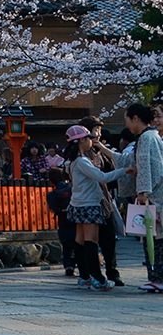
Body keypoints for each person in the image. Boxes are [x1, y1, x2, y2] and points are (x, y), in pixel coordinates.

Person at [63, 124, 131, 291]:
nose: (90, 141)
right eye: (87, 138)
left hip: (77, 204)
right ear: (80, 141)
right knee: (90, 242)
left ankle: (84, 276)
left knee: (80, 241)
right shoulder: (82, 161)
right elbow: (102, 177)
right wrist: (125, 170)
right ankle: (97, 278)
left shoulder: (72, 162)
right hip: (89, 205)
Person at [79, 115, 124, 285]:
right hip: (91, 201)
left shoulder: (101, 151)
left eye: (98, 130)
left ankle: (112, 271)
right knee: (89, 239)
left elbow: (111, 174)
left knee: (109, 238)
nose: (97, 134)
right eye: (94, 130)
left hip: (105, 200)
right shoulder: (82, 156)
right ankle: (89, 273)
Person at [125, 102, 163, 290]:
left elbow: (149, 167)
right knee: (155, 238)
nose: (127, 125)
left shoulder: (147, 138)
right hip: (157, 194)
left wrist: (143, 192)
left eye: (128, 120)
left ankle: (157, 278)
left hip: (155, 197)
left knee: (154, 239)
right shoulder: (153, 136)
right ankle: (156, 278)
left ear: (135, 119)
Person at [45, 167, 76, 277]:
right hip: (75, 217)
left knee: (66, 243)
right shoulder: (72, 188)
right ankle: (78, 263)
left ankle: (68, 265)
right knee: (77, 242)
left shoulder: (51, 194)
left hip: (62, 218)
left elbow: (53, 208)